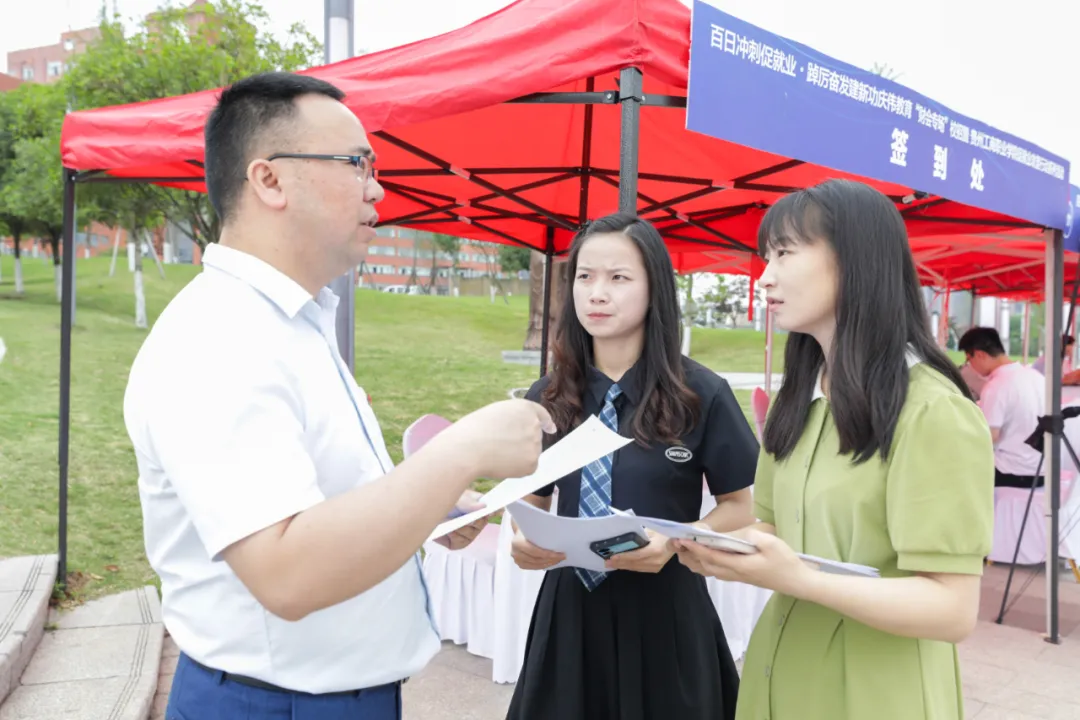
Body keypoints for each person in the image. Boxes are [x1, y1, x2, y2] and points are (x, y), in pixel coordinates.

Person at [122, 71, 554, 720]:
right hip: (278, 703)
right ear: (268, 180)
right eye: (356, 164)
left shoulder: (288, 321)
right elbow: (286, 571)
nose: (376, 187)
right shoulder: (221, 337)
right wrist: (457, 454)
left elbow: (316, 496)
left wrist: (427, 503)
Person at [670, 179, 995, 720]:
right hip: (781, 669)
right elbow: (773, 528)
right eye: (765, 255)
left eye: (785, 253)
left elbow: (952, 609)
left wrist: (797, 578)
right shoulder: (796, 401)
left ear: (855, 260)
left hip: (877, 692)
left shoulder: (934, 413)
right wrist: (701, 543)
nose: (766, 276)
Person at [504, 213, 758, 720]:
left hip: (667, 610)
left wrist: (680, 539)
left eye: (618, 278)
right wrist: (522, 541)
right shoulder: (549, 397)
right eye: (584, 276)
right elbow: (530, 505)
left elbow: (741, 508)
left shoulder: (701, 393)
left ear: (653, 290)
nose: (597, 293)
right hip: (570, 614)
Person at [958, 327, 1046, 488]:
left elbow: (989, 436)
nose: (970, 366)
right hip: (1043, 470)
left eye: (968, 360)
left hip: (1012, 471)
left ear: (979, 355)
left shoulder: (996, 385)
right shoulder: (1037, 377)